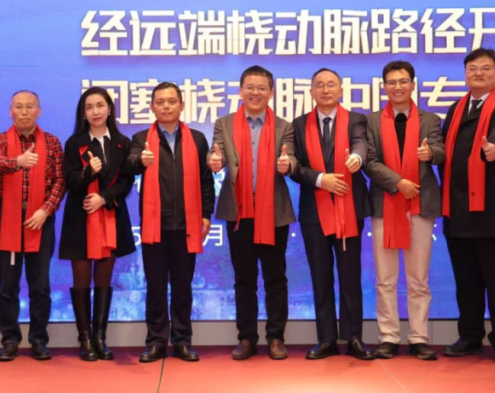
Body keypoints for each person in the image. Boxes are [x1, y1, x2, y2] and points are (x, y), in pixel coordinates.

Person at [208, 65, 298, 360]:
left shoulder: (284, 126)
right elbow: (217, 154)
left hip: (274, 213)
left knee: (276, 278)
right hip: (240, 213)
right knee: (244, 279)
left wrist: (288, 165)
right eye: (250, 87)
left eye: (261, 88)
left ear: (271, 92)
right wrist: (214, 161)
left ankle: (276, 337)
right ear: (240, 90)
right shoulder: (224, 123)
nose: (255, 92)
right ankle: (246, 338)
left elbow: (292, 159)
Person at [441, 48, 495, 365]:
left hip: (491, 210)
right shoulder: (457, 107)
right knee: (466, 282)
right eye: (472, 68)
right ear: (465, 73)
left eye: (485, 68)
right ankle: (470, 336)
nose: (478, 73)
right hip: (458, 209)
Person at [127, 82, 215, 363]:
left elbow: (206, 180)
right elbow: (130, 164)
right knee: (155, 287)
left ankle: (182, 341)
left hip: (187, 225)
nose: (166, 106)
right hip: (155, 226)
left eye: (171, 101)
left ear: (181, 105)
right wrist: (140, 160)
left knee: (183, 287)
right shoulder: (141, 138)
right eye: (160, 102)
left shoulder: (197, 139)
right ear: (152, 106)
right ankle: (155, 342)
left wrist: (206, 214)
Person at [290, 67, 374, 360]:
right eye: (319, 85)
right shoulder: (299, 124)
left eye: (331, 85)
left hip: (349, 205)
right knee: (320, 275)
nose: (325, 90)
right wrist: (319, 179)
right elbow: (293, 165)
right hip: (314, 210)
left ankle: (354, 337)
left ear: (341, 90)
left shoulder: (356, 119)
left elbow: (361, 143)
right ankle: (326, 338)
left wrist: (357, 157)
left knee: (350, 274)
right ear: (311, 91)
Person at [364, 61, 444, 361]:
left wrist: (430, 153)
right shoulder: (371, 121)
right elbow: (369, 161)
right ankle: (388, 336)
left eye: (403, 81)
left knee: (418, 278)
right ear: (384, 86)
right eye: (391, 82)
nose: (397, 87)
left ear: (413, 84)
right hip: (385, 204)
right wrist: (398, 183)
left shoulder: (430, 119)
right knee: (385, 278)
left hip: (420, 205)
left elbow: (441, 151)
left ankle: (419, 337)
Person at [60, 87, 135, 361]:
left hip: (110, 215)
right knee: (81, 279)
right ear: (83, 113)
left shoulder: (122, 142)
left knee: (104, 278)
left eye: (100, 105)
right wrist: (88, 172)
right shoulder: (74, 143)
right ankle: (84, 339)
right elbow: (70, 181)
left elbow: (127, 181)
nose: (95, 111)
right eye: (89, 107)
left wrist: (103, 198)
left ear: (109, 109)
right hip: (80, 217)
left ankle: (100, 338)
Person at [0, 91, 65, 362]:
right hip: (7, 217)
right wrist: (18, 162)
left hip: (40, 218)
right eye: (18, 107)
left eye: (29, 107)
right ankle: (10, 339)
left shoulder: (52, 142)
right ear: (10, 111)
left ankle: (38, 339)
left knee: (40, 284)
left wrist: (45, 211)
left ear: (39, 111)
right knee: (7, 284)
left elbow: (60, 181)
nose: (24, 111)